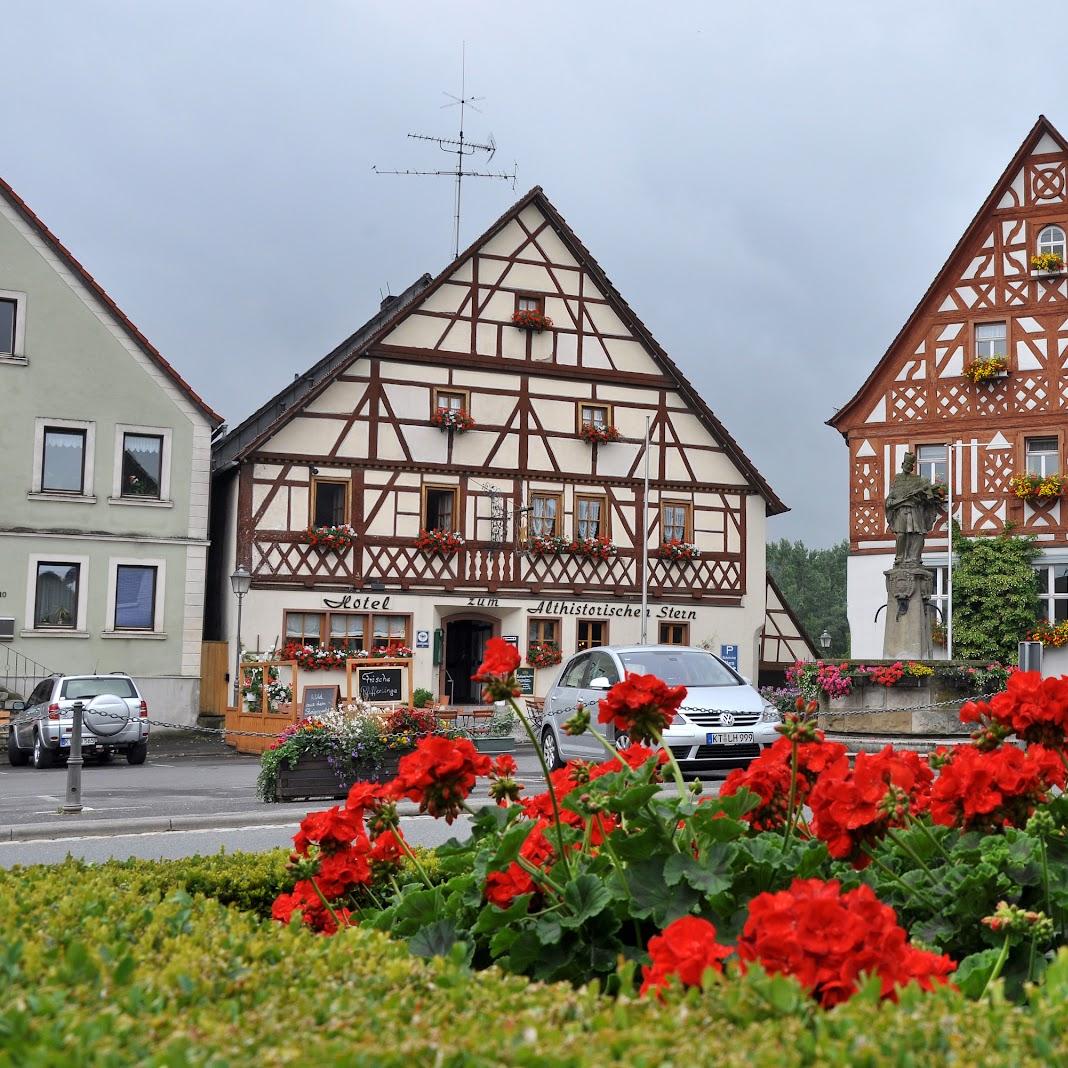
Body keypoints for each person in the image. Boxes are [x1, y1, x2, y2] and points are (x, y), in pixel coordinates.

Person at [885, 452, 943, 567]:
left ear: (912, 467)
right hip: (901, 511)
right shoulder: (897, 480)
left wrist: (920, 497)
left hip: (915, 510)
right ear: (902, 464)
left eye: (910, 465)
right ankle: (900, 558)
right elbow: (890, 499)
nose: (908, 467)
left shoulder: (918, 480)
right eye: (906, 464)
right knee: (901, 535)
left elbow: (928, 496)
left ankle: (914, 558)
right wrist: (891, 503)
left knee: (918, 534)